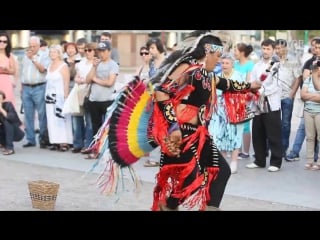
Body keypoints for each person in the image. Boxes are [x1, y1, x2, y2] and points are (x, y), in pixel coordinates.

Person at [149, 31, 261, 211]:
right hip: (182, 135)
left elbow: (228, 84)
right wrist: (173, 126)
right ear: (207, 51)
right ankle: (168, 206)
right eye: (217, 56)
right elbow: (162, 91)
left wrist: (250, 86)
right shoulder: (188, 68)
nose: (219, 60)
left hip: (200, 135)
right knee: (191, 177)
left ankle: (205, 208)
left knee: (221, 171)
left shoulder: (207, 76)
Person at [21, 36, 50, 149]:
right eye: (30, 46)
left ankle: (43, 139)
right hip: (26, 88)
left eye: (34, 46)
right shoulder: (24, 56)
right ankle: (30, 139)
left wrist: (33, 59)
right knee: (28, 115)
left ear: (39, 46)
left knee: (42, 115)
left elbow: (43, 70)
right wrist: (22, 86)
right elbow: (23, 72)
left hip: (39, 87)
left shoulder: (44, 56)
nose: (32, 48)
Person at [0, 90, 25, 155]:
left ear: (3, 100)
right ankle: (3, 144)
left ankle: (10, 148)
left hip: (16, 132)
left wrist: (1, 109)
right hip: (4, 133)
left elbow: (10, 118)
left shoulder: (8, 105)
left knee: (7, 121)